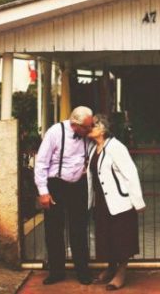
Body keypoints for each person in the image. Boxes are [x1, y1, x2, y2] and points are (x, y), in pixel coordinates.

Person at [34, 105, 94, 286]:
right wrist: (43, 192)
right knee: (54, 229)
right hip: (56, 185)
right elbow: (41, 162)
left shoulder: (88, 134)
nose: (90, 130)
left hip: (79, 185)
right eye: (87, 127)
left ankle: (82, 271)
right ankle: (56, 272)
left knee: (79, 229)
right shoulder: (55, 132)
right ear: (75, 125)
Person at [87, 114, 145, 291]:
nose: (89, 129)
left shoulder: (116, 147)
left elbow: (131, 173)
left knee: (122, 238)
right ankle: (111, 267)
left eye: (93, 126)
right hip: (102, 201)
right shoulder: (93, 148)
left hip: (120, 200)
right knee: (106, 237)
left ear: (102, 129)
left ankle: (121, 272)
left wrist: (138, 201)